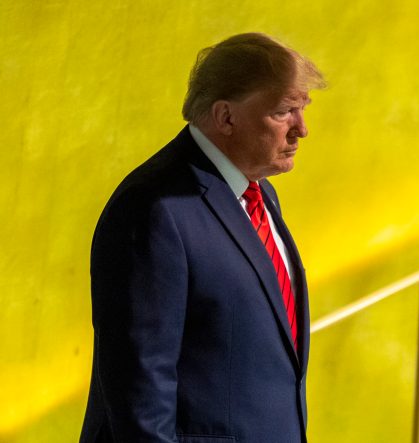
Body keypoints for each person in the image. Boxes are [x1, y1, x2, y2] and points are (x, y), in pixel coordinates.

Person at [79, 33, 325, 443]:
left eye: (302, 110)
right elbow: (140, 385)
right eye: (284, 112)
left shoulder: (261, 193)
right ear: (226, 118)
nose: (302, 130)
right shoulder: (155, 209)